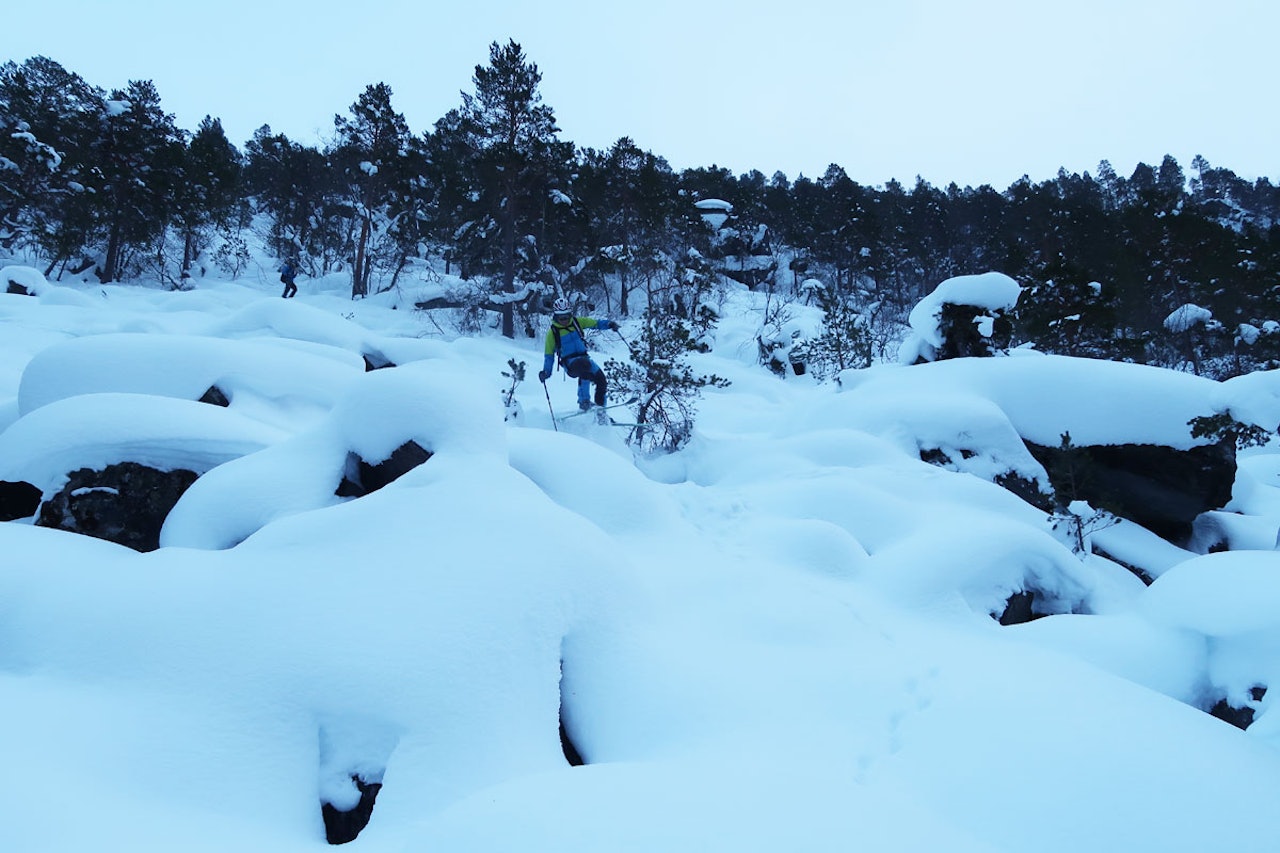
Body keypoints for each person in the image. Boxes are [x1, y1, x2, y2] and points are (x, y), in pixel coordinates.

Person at [538, 296, 617, 416]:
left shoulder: (576, 322)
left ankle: (601, 412)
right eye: (561, 317)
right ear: (556, 316)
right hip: (570, 363)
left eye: (566, 316)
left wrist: (609, 324)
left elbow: (595, 323)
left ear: (570, 314)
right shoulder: (553, 333)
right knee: (584, 368)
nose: (564, 320)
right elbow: (549, 356)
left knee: (601, 380)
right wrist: (546, 372)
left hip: (584, 358)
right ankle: (584, 402)